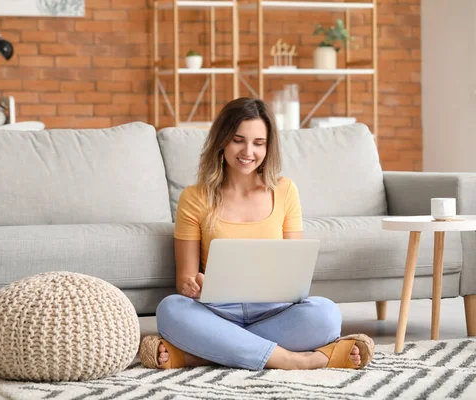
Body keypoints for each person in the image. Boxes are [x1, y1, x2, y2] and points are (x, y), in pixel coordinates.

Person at [139, 97, 374, 371]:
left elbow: (293, 271)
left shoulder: (285, 191)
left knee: (326, 314)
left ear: (268, 146)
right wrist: (192, 285)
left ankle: (202, 354)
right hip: (217, 311)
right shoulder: (195, 197)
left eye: (258, 143)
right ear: (222, 140)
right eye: (238, 140)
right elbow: (184, 280)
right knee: (171, 310)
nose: (247, 151)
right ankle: (295, 360)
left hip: (274, 310)